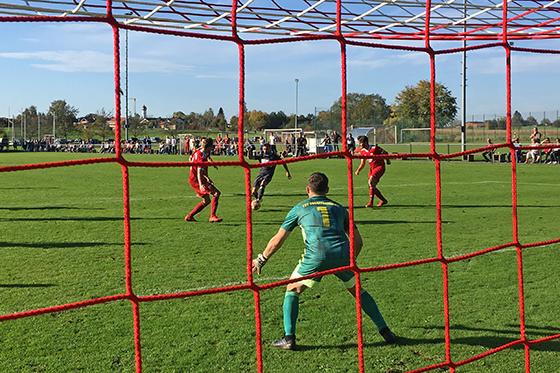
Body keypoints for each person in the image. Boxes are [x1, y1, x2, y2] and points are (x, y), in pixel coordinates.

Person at [252, 172, 396, 350]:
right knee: (358, 291)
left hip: (316, 256)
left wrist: (261, 259)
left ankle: (289, 338)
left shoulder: (299, 208)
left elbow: (278, 239)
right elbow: (358, 241)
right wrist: (350, 261)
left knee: (292, 289)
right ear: (327, 190)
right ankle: (385, 331)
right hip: (343, 255)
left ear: (307, 190)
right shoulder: (340, 208)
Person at [184, 137, 222, 222]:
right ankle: (212, 216)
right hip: (196, 179)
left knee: (207, 200)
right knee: (216, 193)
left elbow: (203, 166)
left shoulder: (204, 152)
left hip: (198, 178)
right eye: (212, 146)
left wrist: (207, 177)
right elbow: (199, 170)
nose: (213, 148)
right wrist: (201, 184)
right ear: (209, 146)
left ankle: (190, 216)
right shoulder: (200, 155)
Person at [251, 143, 292, 210]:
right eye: (264, 149)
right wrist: (250, 150)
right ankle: (258, 200)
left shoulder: (274, 156)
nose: (265, 150)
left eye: (266, 149)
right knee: (253, 191)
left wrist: (287, 172)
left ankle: (258, 200)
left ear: (270, 148)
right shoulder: (262, 155)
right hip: (260, 174)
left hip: (268, 174)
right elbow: (251, 157)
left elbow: (283, 162)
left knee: (263, 184)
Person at [354, 136, 389, 208]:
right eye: (359, 143)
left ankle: (371, 203)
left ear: (365, 142)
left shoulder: (374, 148)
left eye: (361, 143)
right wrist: (358, 170)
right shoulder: (362, 151)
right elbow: (362, 163)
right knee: (371, 185)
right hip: (372, 169)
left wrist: (388, 160)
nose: (360, 145)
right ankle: (383, 200)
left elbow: (385, 152)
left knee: (371, 182)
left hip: (380, 167)